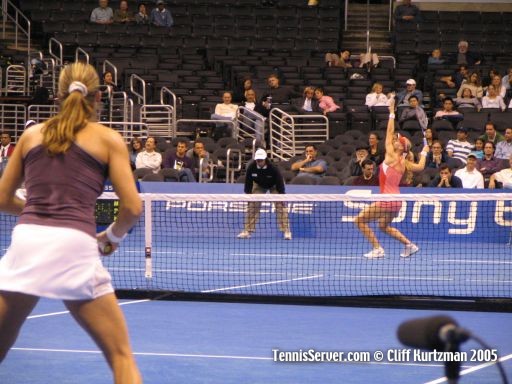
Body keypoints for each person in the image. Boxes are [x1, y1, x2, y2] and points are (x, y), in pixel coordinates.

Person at [0, 62, 142, 383]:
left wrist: (37, 208)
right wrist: (111, 238)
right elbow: (132, 207)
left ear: (58, 95)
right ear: (97, 98)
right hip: (74, 246)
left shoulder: (31, 135)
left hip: (27, 243)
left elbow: (2, 199)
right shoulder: (108, 139)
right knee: (122, 358)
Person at [355, 99, 428, 259]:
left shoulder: (391, 155)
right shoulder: (405, 162)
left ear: (400, 146)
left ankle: (377, 249)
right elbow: (421, 167)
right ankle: (410, 245)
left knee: (359, 221)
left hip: (387, 199)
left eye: (397, 140)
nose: (394, 140)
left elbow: (388, 132)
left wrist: (392, 112)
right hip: (397, 201)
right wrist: (424, 152)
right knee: (383, 226)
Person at [237, 148, 291, 240]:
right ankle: (247, 231)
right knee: (253, 205)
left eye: (261, 160)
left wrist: (282, 196)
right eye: (258, 160)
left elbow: (280, 183)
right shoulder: (251, 167)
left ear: (265, 159)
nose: (259, 162)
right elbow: (248, 184)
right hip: (259, 185)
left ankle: (286, 231)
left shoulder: (273, 169)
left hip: (274, 185)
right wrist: (248, 197)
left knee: (280, 206)